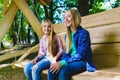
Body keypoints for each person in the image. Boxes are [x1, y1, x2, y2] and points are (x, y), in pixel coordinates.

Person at [48, 8, 96, 80]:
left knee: (64, 71)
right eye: (64, 17)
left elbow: (80, 55)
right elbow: (66, 53)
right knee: (51, 70)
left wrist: (63, 63)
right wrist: (59, 62)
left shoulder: (84, 33)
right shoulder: (67, 35)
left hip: (82, 61)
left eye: (68, 16)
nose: (66, 19)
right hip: (71, 61)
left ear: (75, 17)